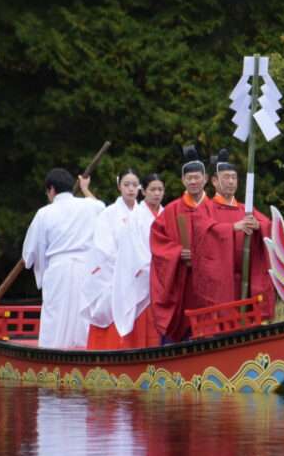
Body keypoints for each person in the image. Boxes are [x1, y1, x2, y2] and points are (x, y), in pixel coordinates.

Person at [21, 167, 105, 349]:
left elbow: (30, 253)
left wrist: (36, 265)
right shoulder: (89, 206)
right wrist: (85, 189)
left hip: (59, 269)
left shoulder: (44, 213)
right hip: (85, 269)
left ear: (51, 190)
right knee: (83, 312)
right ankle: (85, 351)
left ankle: (52, 353)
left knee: (56, 313)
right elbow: (101, 208)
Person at [192, 149, 276, 324]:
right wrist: (232, 228)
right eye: (226, 177)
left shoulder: (245, 209)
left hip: (246, 279)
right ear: (214, 181)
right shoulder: (205, 209)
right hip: (222, 282)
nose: (231, 182)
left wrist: (259, 226)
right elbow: (204, 232)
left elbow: (269, 225)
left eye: (234, 177)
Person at [149, 146, 209, 342]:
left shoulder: (215, 209)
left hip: (209, 280)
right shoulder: (172, 210)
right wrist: (176, 253)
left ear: (205, 179)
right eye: (189, 178)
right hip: (181, 280)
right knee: (180, 327)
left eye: (197, 177)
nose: (193, 181)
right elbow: (157, 241)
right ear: (183, 180)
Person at [82, 169, 142, 349]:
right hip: (113, 273)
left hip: (139, 274)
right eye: (126, 185)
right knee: (111, 308)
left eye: (134, 185)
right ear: (119, 186)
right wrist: (123, 267)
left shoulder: (143, 213)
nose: (130, 189)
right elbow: (103, 247)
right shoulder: (108, 214)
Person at [110, 173, 165, 348]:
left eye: (160, 189)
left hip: (164, 274)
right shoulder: (136, 216)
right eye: (153, 189)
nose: (157, 193)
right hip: (144, 275)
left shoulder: (167, 214)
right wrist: (152, 265)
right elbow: (133, 249)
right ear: (144, 191)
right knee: (143, 319)